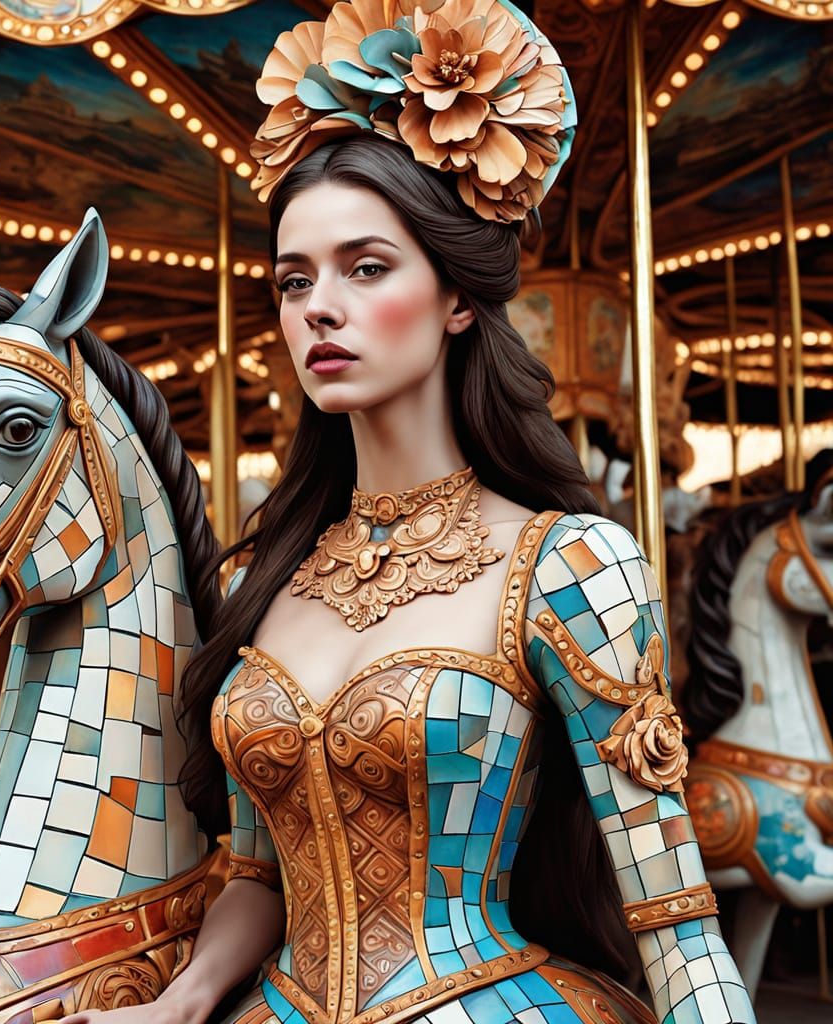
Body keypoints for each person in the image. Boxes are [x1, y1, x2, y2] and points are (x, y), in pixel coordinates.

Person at [58, 2, 755, 1022]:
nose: (318, 308)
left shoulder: (568, 563)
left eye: (366, 267)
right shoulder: (273, 577)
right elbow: (257, 872)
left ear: (457, 297)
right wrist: (183, 1000)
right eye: (295, 281)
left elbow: (673, 913)